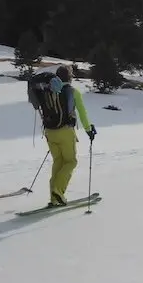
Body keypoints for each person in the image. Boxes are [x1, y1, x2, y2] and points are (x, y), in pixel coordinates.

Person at [37, 65, 96, 207]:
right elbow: (82, 113)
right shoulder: (73, 92)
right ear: (70, 78)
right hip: (65, 131)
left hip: (49, 131)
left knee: (58, 161)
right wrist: (89, 129)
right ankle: (58, 191)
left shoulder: (48, 90)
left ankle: (54, 197)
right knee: (70, 162)